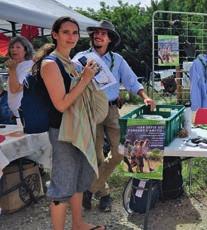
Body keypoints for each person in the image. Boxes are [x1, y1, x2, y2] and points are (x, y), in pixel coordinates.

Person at [75, 20, 156, 212]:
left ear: (110, 39)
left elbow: (131, 80)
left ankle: (90, 189)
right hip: (90, 109)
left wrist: (145, 97)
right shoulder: (80, 58)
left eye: (103, 34)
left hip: (111, 110)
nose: (98, 36)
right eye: (96, 33)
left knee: (120, 152)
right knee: (95, 156)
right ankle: (104, 196)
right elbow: (72, 82)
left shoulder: (117, 60)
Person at [35, 16, 104, 230]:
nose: (71, 37)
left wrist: (89, 78)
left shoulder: (73, 63)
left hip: (80, 128)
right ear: (55, 35)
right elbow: (61, 104)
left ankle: (78, 224)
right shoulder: (50, 64)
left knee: (80, 178)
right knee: (63, 183)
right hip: (63, 131)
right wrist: (84, 79)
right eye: (66, 32)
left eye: (75, 33)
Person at [5, 36, 34, 119]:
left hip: (26, 114)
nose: (14, 49)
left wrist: (12, 70)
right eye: (12, 47)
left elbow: (15, 89)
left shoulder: (29, 66)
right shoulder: (16, 65)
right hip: (17, 114)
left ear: (25, 50)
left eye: (18, 47)